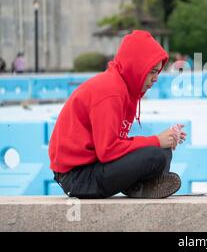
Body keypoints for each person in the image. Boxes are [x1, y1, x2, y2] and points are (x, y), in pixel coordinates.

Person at [49, 30, 187, 199]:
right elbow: (107, 150)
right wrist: (156, 140)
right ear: (136, 67)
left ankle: (140, 187)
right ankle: (140, 186)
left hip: (94, 165)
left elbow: (112, 147)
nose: (155, 78)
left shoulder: (124, 88)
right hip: (77, 177)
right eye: (151, 71)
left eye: (157, 72)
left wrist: (165, 139)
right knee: (156, 154)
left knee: (163, 152)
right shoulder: (110, 92)